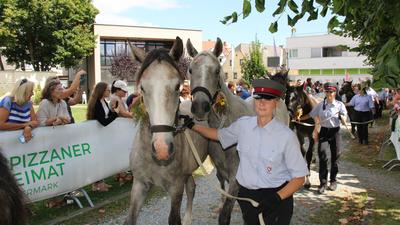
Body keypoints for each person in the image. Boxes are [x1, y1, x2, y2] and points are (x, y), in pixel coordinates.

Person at [185, 79, 308, 225]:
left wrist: (276, 198)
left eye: (267, 99)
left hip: (276, 201)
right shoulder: (243, 125)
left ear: (276, 103)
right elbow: (218, 135)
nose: (262, 103)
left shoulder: (286, 136)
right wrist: (192, 126)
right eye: (258, 98)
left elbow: (300, 178)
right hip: (248, 200)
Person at [299, 82, 347, 194]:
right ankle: (323, 183)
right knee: (322, 156)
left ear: (335, 92)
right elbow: (310, 115)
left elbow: (345, 118)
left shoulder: (340, 105)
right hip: (324, 132)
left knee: (335, 157)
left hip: (335, 132)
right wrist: (298, 119)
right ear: (324, 92)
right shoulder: (320, 105)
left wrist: (342, 118)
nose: (329, 93)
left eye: (331, 92)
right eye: (327, 91)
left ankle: (333, 181)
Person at [0, 78, 39, 142]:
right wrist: (24, 125)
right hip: (5, 143)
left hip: (21, 145)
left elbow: (35, 122)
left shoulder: (29, 103)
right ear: (23, 92)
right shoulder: (8, 101)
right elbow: (1, 125)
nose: (33, 94)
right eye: (31, 91)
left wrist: (28, 127)